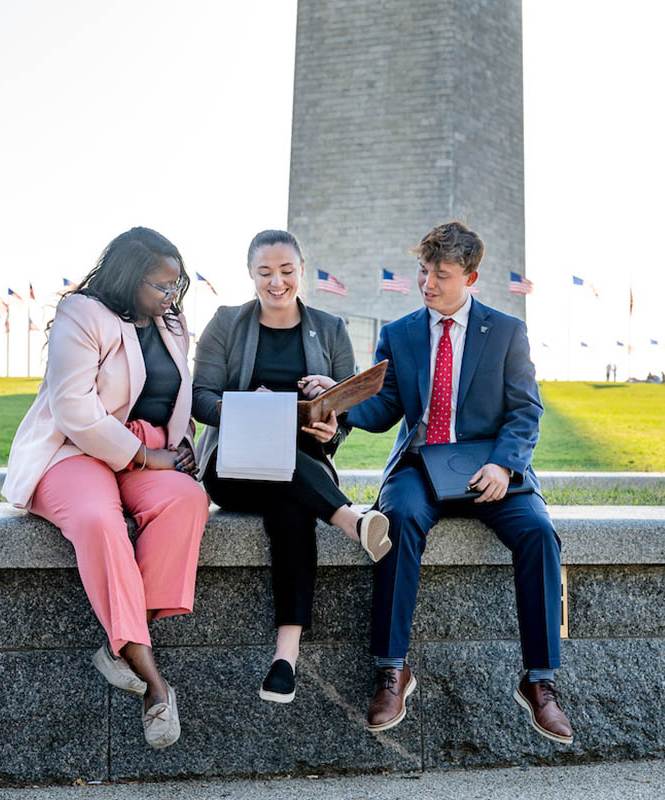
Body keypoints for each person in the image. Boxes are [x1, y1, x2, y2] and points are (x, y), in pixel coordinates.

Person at [337, 221, 572, 745]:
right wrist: (340, 406)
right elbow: (385, 407)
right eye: (424, 272)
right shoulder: (399, 334)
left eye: (441, 275)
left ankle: (541, 682)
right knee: (395, 520)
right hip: (420, 467)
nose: (428, 284)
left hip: (490, 468)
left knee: (538, 532)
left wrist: (504, 465)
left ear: (471, 277)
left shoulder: (507, 332)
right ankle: (392, 671)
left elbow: (525, 410)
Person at [3, 227, 208, 750]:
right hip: (74, 451)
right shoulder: (82, 313)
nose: (172, 296)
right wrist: (144, 454)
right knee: (99, 520)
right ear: (129, 277)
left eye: (176, 284)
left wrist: (178, 444)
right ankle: (151, 676)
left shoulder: (171, 323)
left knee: (187, 501)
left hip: (148, 453)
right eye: (162, 285)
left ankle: (117, 645)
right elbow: (73, 408)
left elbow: (172, 391)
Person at [191, 229, 391, 705]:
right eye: (265, 273)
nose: (276, 282)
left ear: (302, 269)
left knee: (291, 506)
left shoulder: (331, 327)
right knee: (286, 471)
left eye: (286, 271)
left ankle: (285, 658)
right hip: (233, 465)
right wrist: (245, 409)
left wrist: (333, 424)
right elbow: (201, 397)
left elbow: (346, 404)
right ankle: (350, 520)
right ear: (250, 275)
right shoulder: (225, 323)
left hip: (302, 467)